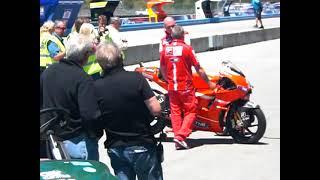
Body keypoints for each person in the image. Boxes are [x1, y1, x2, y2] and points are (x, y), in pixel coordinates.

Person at [94, 42, 163, 180]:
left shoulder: (96, 87)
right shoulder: (136, 79)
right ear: (121, 58)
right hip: (141, 141)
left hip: (115, 145)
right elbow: (156, 109)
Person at [40, 34, 102, 160]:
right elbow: (89, 114)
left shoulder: (48, 72)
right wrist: (95, 134)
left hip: (52, 139)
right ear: (85, 55)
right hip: (77, 140)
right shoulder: (82, 78)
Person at [160, 26, 216, 150]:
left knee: (175, 112)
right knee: (191, 110)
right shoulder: (187, 49)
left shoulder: (165, 49)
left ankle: (178, 139)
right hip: (185, 86)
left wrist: (168, 80)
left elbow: (162, 69)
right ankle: (180, 137)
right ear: (183, 36)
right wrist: (209, 83)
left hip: (172, 86)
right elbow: (198, 68)